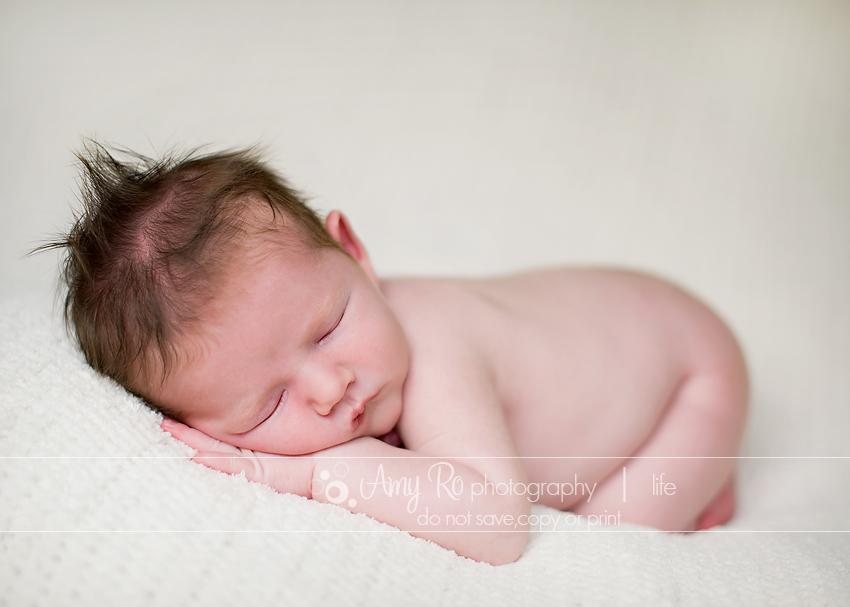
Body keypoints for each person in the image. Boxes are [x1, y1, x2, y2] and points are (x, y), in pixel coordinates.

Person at [50, 143, 747, 565]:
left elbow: (499, 525)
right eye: (269, 404)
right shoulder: (351, 338)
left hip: (690, 370)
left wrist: (313, 473)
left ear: (354, 252)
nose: (330, 386)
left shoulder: (435, 345)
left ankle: (701, 470)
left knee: (604, 544)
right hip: (619, 328)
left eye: (327, 329)